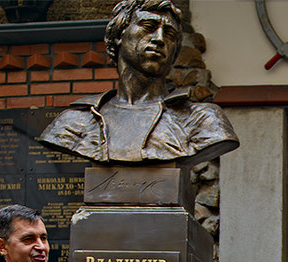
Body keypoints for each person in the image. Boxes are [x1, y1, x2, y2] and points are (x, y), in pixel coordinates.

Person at [39, 0, 238, 164]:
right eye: (148, 27)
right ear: (119, 35)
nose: (159, 39)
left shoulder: (202, 120)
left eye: (169, 35)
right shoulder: (75, 123)